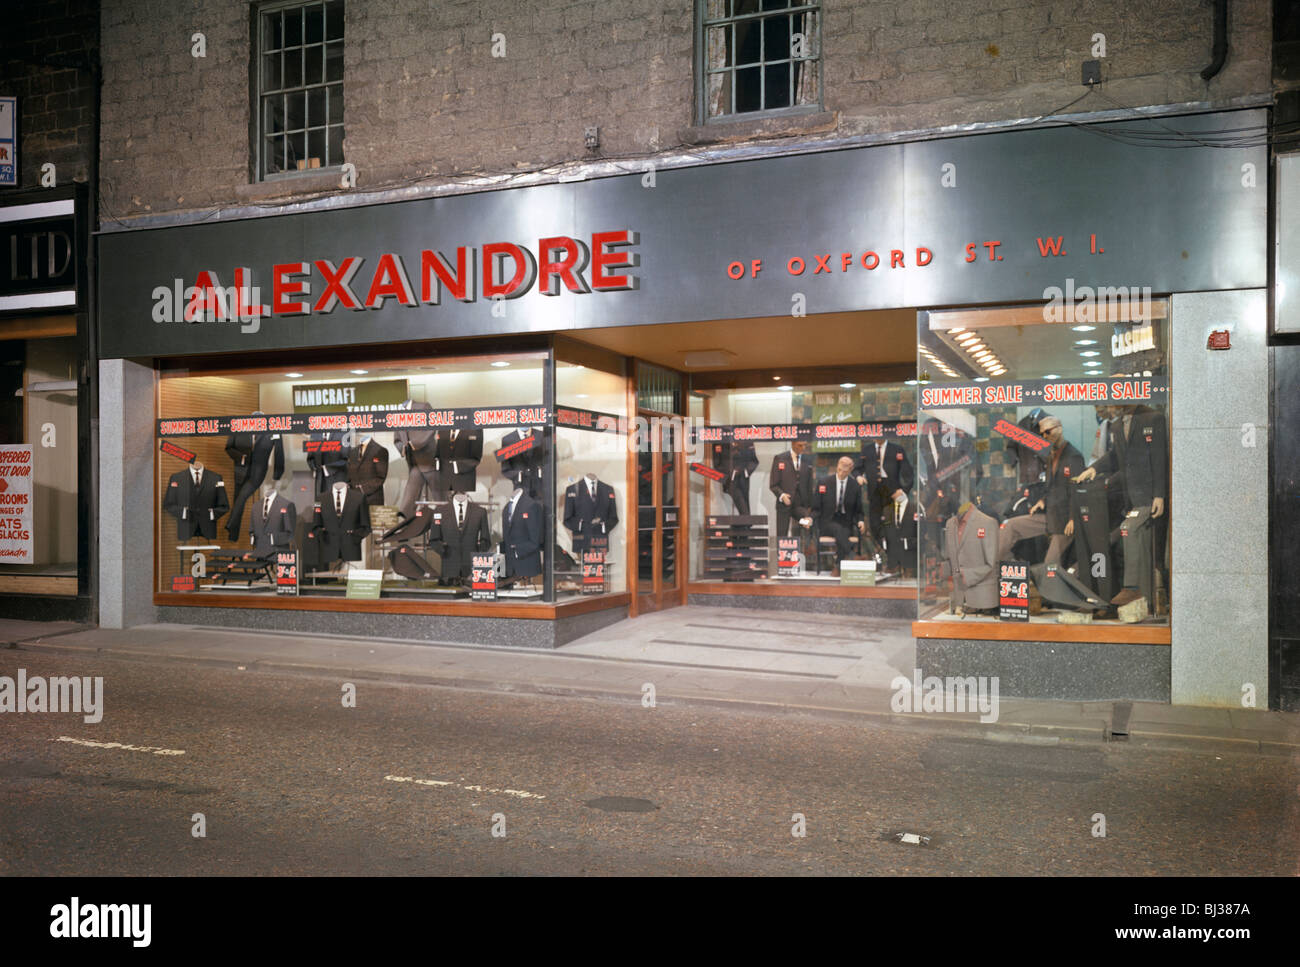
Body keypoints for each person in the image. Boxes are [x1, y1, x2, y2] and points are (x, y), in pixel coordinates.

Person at [996, 414, 1084, 565]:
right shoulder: (1051, 456)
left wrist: (1072, 519)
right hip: (1050, 516)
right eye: (1042, 433)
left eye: (1048, 432)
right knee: (1010, 526)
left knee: (1050, 563)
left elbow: (1078, 491)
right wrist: (1042, 501)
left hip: (1065, 522)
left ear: (1060, 429)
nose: (1044, 436)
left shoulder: (1073, 456)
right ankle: (999, 566)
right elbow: (1050, 486)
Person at [812, 456, 867, 574]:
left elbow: (859, 510)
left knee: (843, 532)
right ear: (837, 467)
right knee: (839, 530)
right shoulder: (824, 482)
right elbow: (816, 507)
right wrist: (811, 518)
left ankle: (838, 567)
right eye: (840, 469)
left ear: (850, 471)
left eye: (845, 471)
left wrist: (861, 521)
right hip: (827, 522)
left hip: (846, 522)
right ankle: (852, 555)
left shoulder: (855, 486)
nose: (842, 473)